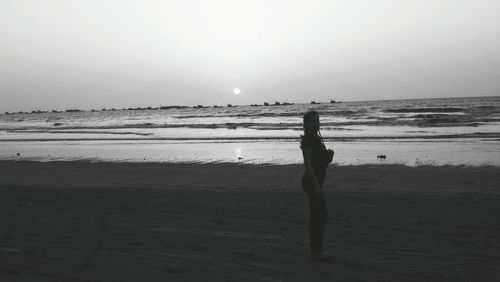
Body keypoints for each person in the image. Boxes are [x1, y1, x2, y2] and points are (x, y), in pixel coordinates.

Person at [300, 110, 335, 261]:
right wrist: (316, 186)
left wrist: (328, 157)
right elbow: (308, 165)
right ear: (306, 124)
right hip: (311, 181)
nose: (316, 123)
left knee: (320, 215)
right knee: (319, 216)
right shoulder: (308, 140)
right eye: (312, 121)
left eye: (317, 120)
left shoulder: (317, 139)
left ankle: (316, 250)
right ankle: (316, 251)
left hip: (317, 180)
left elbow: (320, 162)